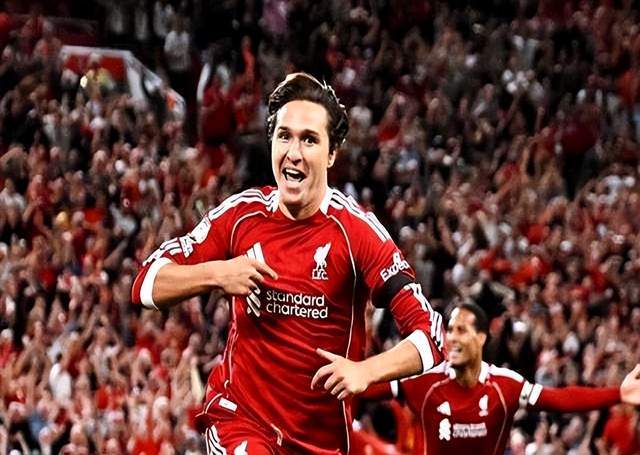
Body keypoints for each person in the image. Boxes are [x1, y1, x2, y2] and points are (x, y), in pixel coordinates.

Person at [131, 72, 446, 454]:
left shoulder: (357, 233)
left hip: (320, 442)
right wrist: (217, 273)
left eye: (309, 139)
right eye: (284, 136)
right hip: (240, 421)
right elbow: (146, 283)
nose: (293, 152)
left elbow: (431, 335)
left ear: (332, 154)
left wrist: (366, 370)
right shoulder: (241, 215)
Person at [360, 302, 640, 454]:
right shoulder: (425, 381)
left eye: (462, 330)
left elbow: (560, 398)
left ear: (482, 338)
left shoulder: (504, 385)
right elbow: (364, 385)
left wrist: (618, 393)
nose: (452, 337)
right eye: (451, 330)